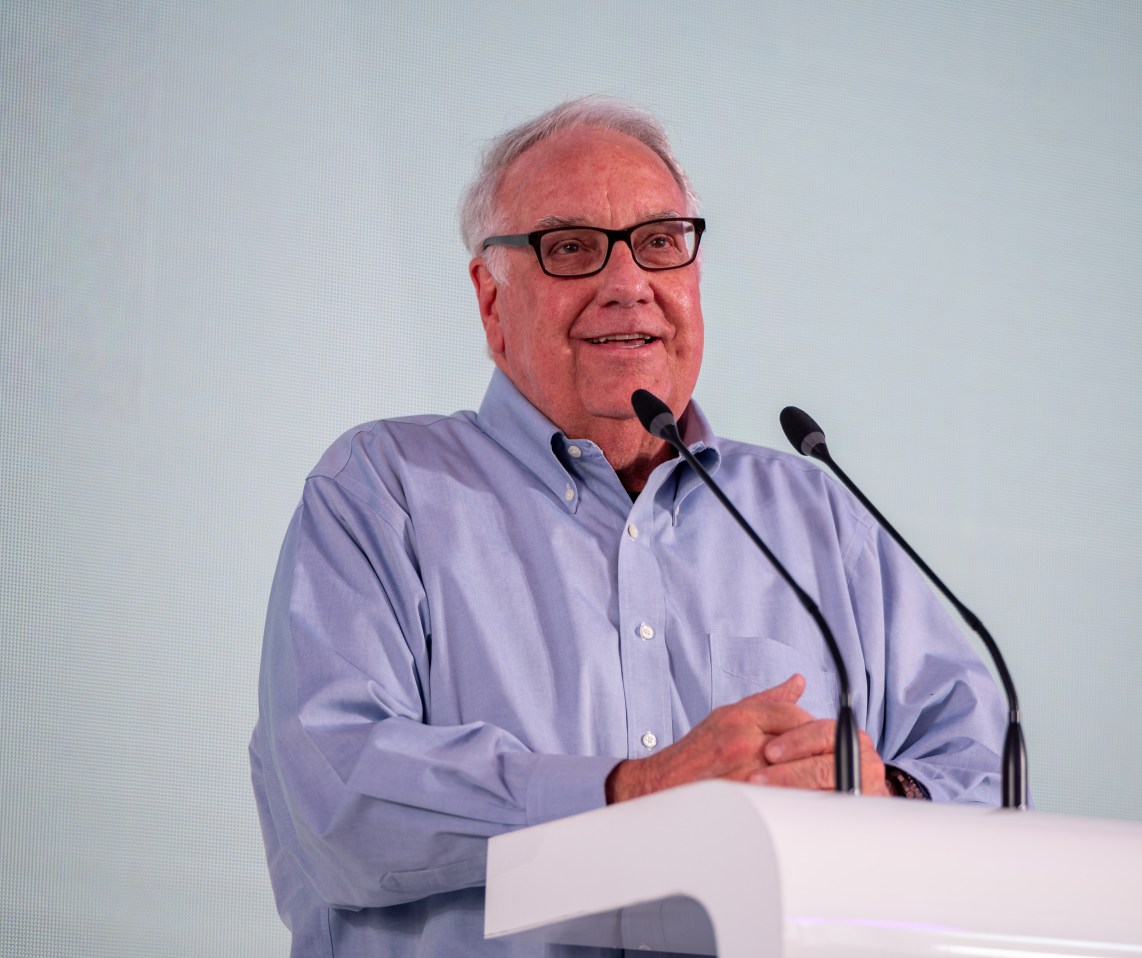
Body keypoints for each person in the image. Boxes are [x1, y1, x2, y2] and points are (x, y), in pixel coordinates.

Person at [250, 96, 1006, 958]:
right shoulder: (384, 491)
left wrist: (889, 798)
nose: (627, 283)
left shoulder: (817, 514)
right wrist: (631, 792)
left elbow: (983, 774)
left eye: (659, 242)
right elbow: (339, 796)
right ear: (490, 302)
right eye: (570, 248)